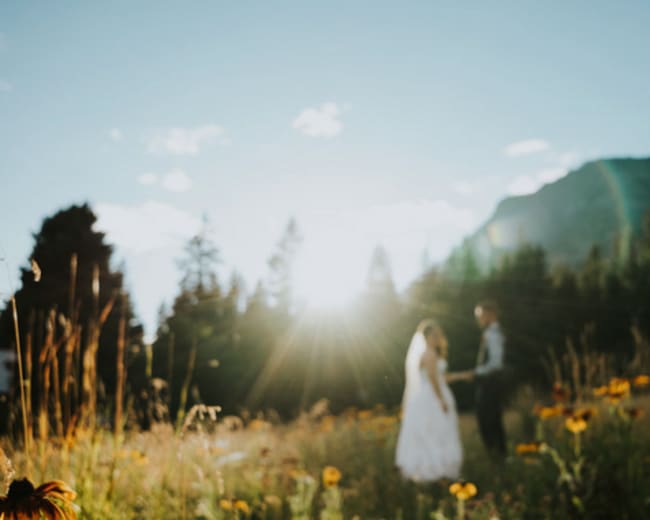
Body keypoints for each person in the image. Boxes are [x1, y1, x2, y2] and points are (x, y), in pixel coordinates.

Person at [395, 319, 462, 482]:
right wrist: (441, 400)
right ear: (426, 337)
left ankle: (437, 470)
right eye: (434, 335)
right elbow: (433, 379)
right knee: (434, 431)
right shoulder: (429, 354)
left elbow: (440, 377)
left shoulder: (431, 354)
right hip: (431, 397)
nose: (437, 338)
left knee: (436, 432)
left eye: (438, 335)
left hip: (432, 394)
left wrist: (461, 376)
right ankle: (434, 471)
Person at [462, 300, 507, 459]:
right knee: (493, 420)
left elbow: (496, 363)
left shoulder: (492, 334)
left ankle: (496, 456)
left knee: (487, 420)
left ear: (490, 314)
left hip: (490, 382)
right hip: (491, 382)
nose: (479, 320)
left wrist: (475, 372)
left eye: (480, 316)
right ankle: (499, 455)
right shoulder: (495, 332)